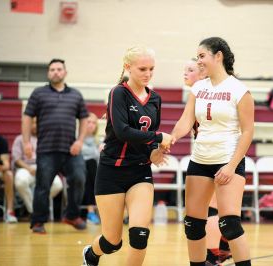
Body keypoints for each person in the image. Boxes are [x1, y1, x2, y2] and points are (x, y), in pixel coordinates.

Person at [82, 46, 172, 266]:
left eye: (151, 69)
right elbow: (122, 132)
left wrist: (154, 151)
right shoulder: (118, 93)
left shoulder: (155, 99)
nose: (147, 73)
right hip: (111, 171)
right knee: (113, 241)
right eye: (142, 68)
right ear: (127, 67)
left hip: (140, 171)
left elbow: (148, 139)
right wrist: (159, 137)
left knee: (140, 234)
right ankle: (91, 254)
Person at [171, 37, 254, 266]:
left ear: (218, 56)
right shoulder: (198, 88)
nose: (198, 61)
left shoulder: (239, 90)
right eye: (197, 57)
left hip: (228, 160)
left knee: (229, 224)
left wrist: (230, 166)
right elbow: (185, 121)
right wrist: (170, 139)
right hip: (199, 160)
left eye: (201, 56)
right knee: (193, 224)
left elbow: (247, 133)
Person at [22, 58, 89, 234]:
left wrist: (80, 141)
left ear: (65, 72)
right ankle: (38, 221)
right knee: (43, 186)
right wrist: (26, 142)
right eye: (52, 70)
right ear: (48, 73)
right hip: (46, 150)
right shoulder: (38, 93)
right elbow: (27, 117)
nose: (56, 72)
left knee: (79, 179)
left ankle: (72, 215)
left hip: (71, 150)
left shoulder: (76, 95)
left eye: (59, 69)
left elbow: (84, 118)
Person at [183, 58, 231, 265]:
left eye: (191, 70)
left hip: (220, 156)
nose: (185, 73)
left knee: (212, 209)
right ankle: (221, 247)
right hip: (211, 155)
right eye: (185, 69)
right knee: (213, 210)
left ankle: (214, 254)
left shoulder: (212, 93)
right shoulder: (198, 93)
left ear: (203, 73)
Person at [12, 117, 63, 216]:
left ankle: (36, 207)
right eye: (33, 123)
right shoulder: (20, 138)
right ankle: (35, 210)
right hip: (26, 168)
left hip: (45, 168)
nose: (35, 125)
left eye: (37, 123)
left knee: (58, 184)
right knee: (20, 182)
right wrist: (28, 168)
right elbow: (16, 159)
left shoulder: (48, 139)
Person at [81, 112, 101, 224]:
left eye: (93, 123)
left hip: (95, 172)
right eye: (88, 122)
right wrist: (95, 152)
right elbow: (81, 152)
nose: (91, 125)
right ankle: (90, 211)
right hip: (80, 170)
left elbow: (100, 156)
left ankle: (92, 211)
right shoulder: (77, 138)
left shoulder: (98, 141)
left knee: (93, 166)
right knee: (91, 164)